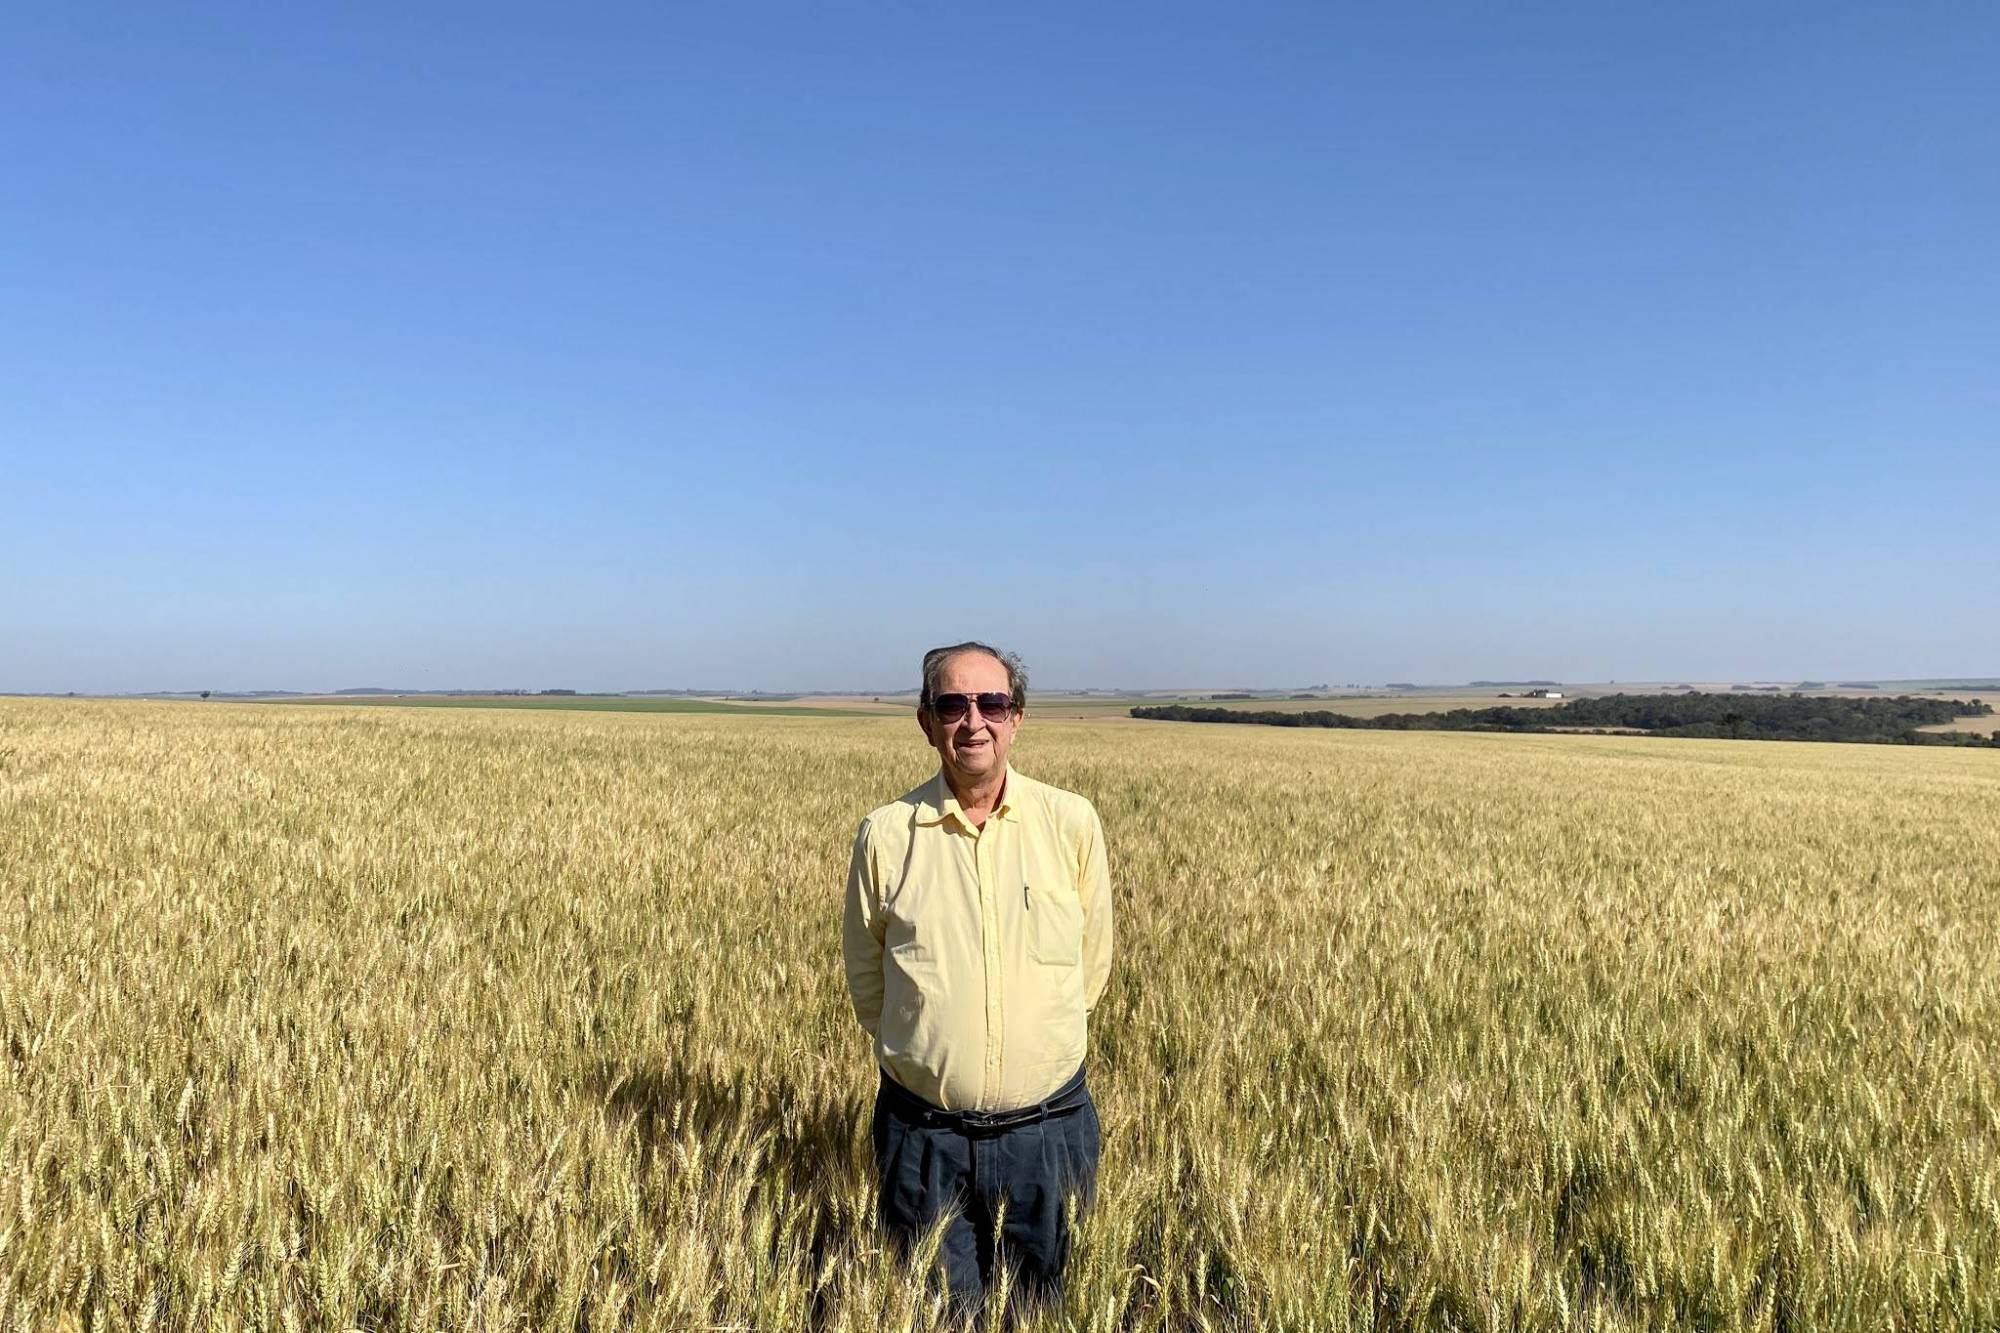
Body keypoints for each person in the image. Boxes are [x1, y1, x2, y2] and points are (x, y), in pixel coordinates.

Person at [842, 641, 1114, 1316]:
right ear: (926, 721)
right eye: (953, 704)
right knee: (941, 1315)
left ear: (1016, 716)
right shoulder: (886, 835)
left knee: (1042, 1312)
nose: (974, 720)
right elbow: (867, 977)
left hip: (1048, 1136)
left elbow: (1091, 967)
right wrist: (933, 1053)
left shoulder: (1070, 823)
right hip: (923, 1141)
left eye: (991, 702)